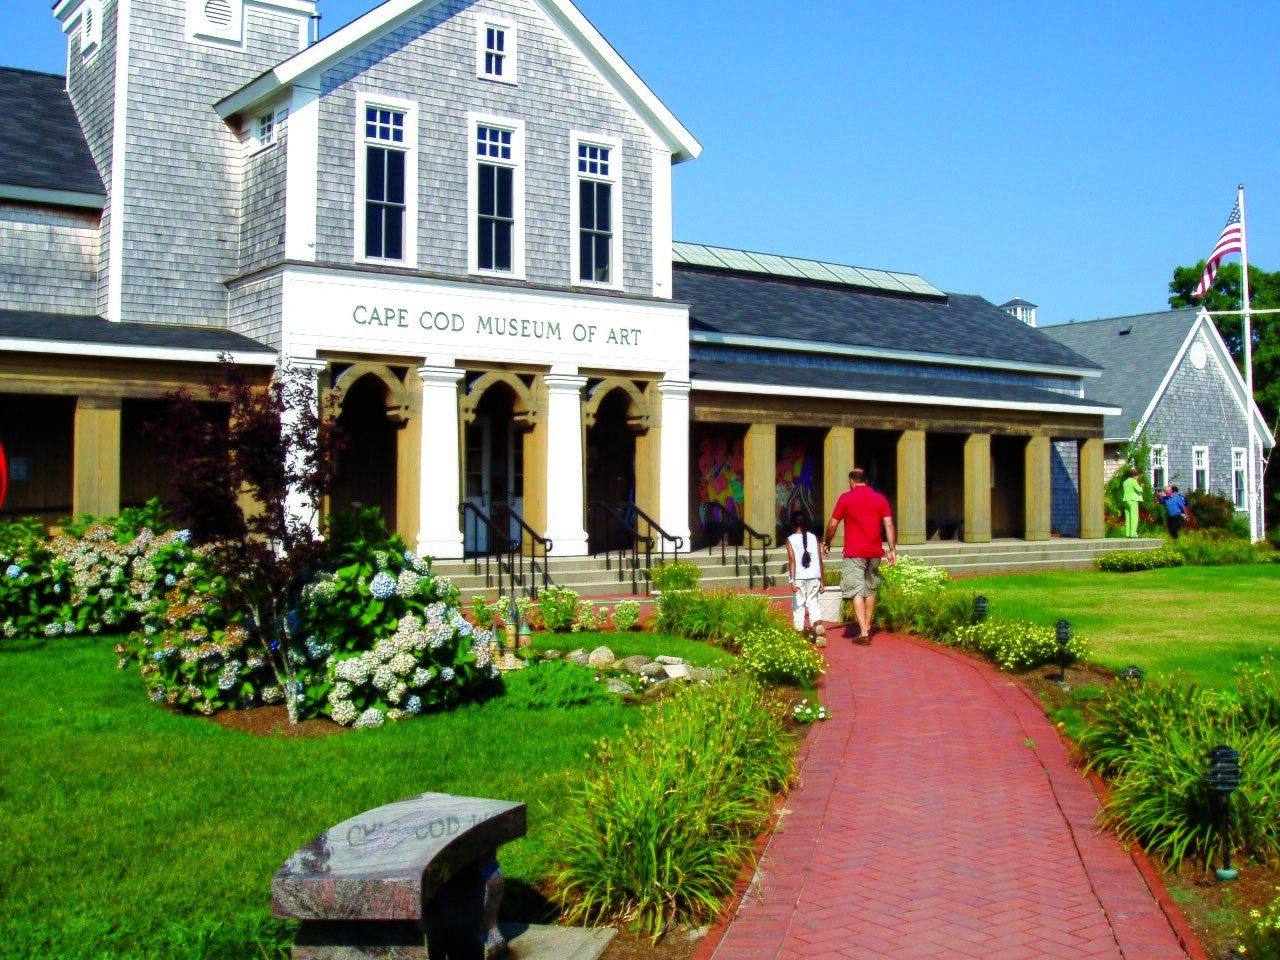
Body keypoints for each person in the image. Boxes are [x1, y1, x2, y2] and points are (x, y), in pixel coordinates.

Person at [822, 468, 896, 643]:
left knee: (856, 589)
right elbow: (889, 525)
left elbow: (833, 524)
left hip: (854, 552)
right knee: (870, 589)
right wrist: (892, 550)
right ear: (867, 481)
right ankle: (868, 626)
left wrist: (827, 542)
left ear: (852, 482)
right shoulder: (880, 498)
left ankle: (863, 632)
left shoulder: (846, 498)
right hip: (875, 551)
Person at [785, 510, 825, 646]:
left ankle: (800, 634)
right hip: (814, 576)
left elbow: (792, 561)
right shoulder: (814, 537)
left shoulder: (790, 539)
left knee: (799, 606)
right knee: (813, 604)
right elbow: (819, 560)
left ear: (792, 523)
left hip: (799, 577)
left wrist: (792, 580)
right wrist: (822, 581)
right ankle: (818, 626)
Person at [1121, 468, 1144, 537]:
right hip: (1133, 500)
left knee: (1128, 517)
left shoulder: (1125, 482)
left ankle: (1128, 533)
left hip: (1126, 500)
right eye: (1137, 476)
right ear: (1135, 476)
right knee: (1134, 517)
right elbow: (1139, 490)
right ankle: (1133, 533)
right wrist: (1142, 486)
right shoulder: (1133, 481)